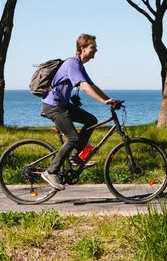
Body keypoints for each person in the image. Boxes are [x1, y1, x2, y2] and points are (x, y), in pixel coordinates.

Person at [40, 34, 122, 189]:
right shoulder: (72, 64)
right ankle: (51, 171)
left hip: (62, 105)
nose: (96, 50)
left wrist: (109, 99)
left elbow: (92, 85)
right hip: (54, 106)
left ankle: (76, 157)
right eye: (93, 47)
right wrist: (103, 101)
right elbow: (84, 87)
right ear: (82, 48)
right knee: (73, 138)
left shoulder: (78, 65)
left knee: (91, 121)